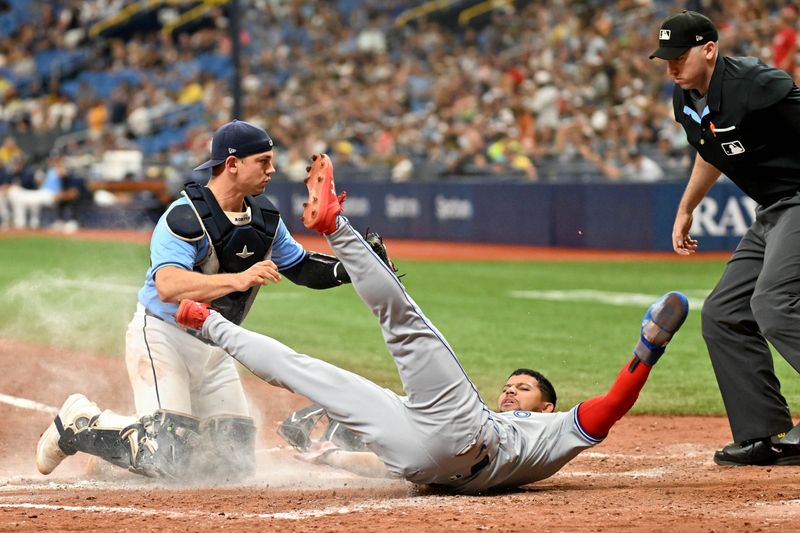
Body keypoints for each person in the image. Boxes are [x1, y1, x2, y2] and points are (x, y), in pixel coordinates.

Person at [172, 154, 690, 493]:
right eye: (511, 384)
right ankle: (206, 322)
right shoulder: (513, 425)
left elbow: (611, 408)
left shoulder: (553, 431)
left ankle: (333, 224)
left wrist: (648, 349)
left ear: (548, 405)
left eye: (525, 387)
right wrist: (336, 456)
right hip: (421, 460)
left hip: (463, 435)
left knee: (404, 321)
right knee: (308, 373)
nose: (511, 391)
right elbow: (398, 468)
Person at [35, 121, 365, 483]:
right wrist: (236, 279)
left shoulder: (265, 220)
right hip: (164, 338)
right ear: (233, 163)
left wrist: (357, 266)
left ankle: (117, 458)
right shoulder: (184, 217)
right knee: (169, 452)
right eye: (264, 161)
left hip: (214, 344)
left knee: (231, 465)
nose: (272, 170)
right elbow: (168, 284)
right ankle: (79, 423)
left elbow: (302, 267)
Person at [649, 10, 800, 466]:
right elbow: (710, 153)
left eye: (679, 56)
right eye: (665, 58)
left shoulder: (756, 84)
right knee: (723, 313)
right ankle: (763, 431)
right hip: (773, 210)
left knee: (772, 302)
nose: (671, 66)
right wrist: (686, 207)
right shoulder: (686, 99)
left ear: (709, 49)